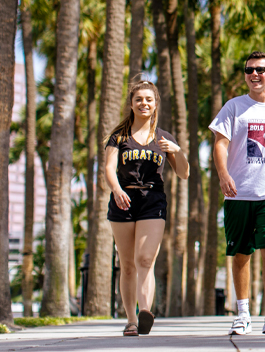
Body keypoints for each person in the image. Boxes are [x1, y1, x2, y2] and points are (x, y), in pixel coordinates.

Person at [210, 51, 265, 335]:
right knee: (240, 253)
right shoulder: (234, 107)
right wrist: (223, 175)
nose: (254, 74)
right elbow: (220, 144)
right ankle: (243, 314)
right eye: (249, 70)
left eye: (260, 69)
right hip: (238, 194)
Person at [105, 79, 188, 336]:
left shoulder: (164, 138)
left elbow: (184, 174)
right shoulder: (119, 137)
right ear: (131, 103)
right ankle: (131, 320)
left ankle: (145, 312)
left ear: (155, 104)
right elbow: (108, 168)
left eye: (149, 99)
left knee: (145, 259)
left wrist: (178, 151)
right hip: (124, 200)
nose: (144, 103)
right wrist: (117, 190)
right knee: (127, 264)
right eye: (139, 99)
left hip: (153, 201)